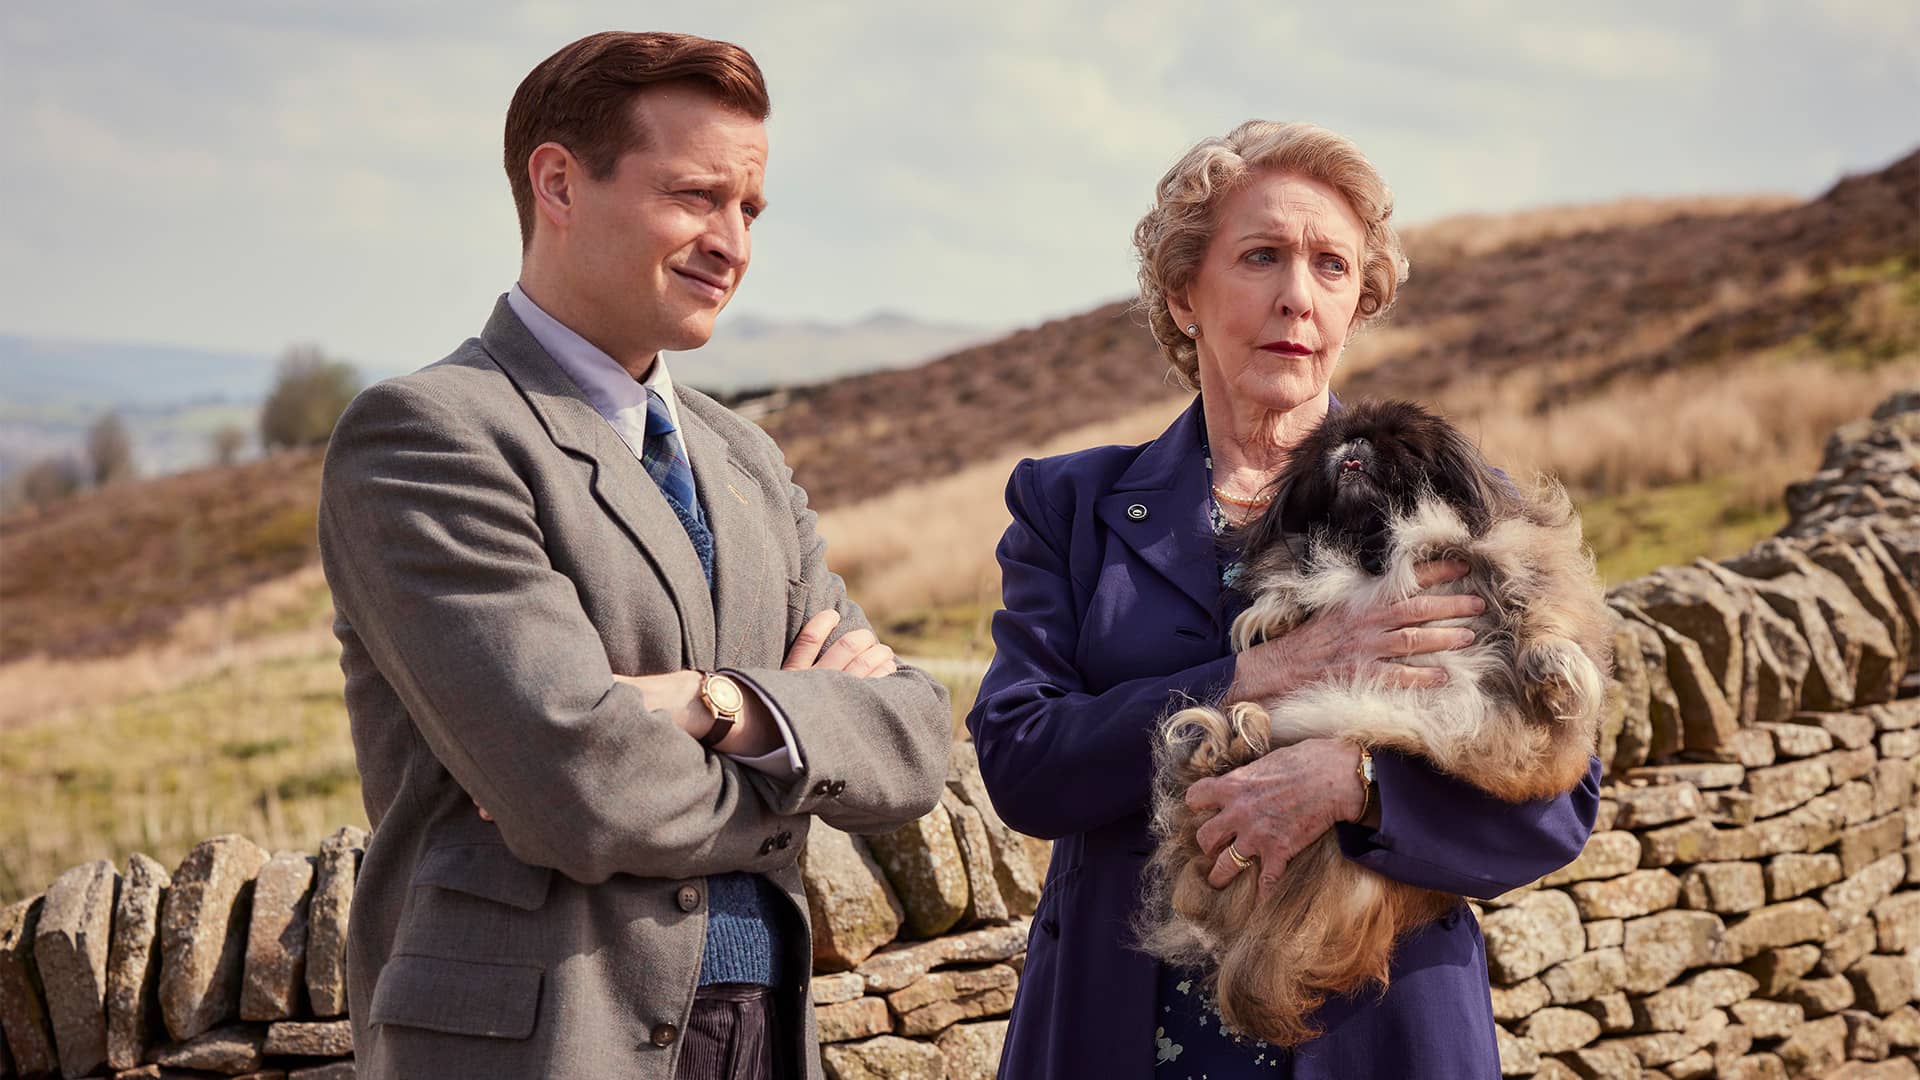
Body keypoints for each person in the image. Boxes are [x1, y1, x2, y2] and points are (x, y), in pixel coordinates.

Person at [316, 32, 951, 1080]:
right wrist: (795, 752)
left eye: (749, 209)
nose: (732, 242)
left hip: (761, 1031)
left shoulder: (743, 454)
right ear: (558, 183)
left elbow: (915, 742)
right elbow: (575, 787)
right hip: (544, 1040)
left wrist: (708, 703)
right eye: (696, 195)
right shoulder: (428, 435)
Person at [966, 120, 1601, 1078]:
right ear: (1184, 293)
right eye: (1260, 256)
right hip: (1123, 1031)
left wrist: (1360, 785)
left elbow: (1558, 804)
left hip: (1378, 1034)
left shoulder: (1462, 506)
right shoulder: (1071, 507)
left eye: (1331, 266)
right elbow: (1022, 763)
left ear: (1359, 302)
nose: (1296, 297)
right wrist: (1254, 674)